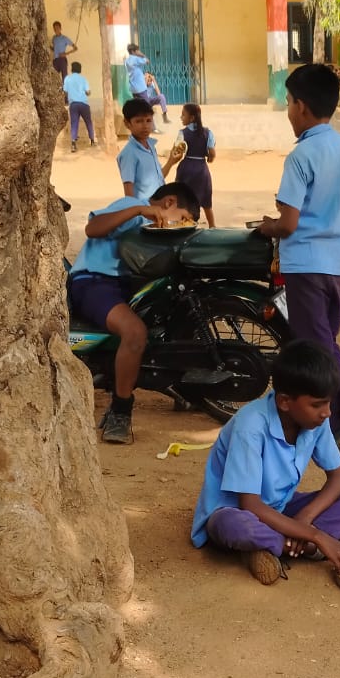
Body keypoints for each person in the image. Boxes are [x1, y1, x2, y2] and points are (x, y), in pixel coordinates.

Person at [256, 63, 340, 459]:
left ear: (302, 107)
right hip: (337, 262)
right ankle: (327, 416)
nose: (288, 111)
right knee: (322, 340)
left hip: (305, 263)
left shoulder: (300, 155)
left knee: (318, 346)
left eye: (288, 103)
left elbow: (289, 223)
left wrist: (269, 226)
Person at [190, 340, 340, 586]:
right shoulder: (250, 426)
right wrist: (315, 535)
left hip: (281, 508)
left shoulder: (315, 420)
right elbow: (250, 505)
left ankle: (273, 547)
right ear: (284, 402)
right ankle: (307, 546)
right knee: (235, 526)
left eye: (328, 402)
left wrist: (304, 519)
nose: (326, 412)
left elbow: (338, 479)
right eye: (317, 404)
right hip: (238, 511)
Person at [66, 183, 195, 444]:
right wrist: (138, 210)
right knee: (135, 332)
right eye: (183, 218)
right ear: (169, 203)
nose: (182, 224)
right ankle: (120, 410)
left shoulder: (151, 222)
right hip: (93, 281)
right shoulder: (133, 206)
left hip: (123, 284)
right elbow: (93, 229)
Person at [117, 97, 179, 205]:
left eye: (148, 120)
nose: (145, 126)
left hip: (158, 208)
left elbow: (158, 178)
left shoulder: (150, 146)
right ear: (127, 123)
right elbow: (128, 194)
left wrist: (171, 161)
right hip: (144, 211)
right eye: (139, 121)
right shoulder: (129, 154)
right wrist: (136, 213)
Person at [164, 102, 216, 227]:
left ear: (191, 118)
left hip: (186, 168)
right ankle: (212, 226)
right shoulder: (208, 133)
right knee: (206, 202)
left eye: (183, 115)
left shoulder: (182, 133)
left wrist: (174, 158)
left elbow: (177, 151)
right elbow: (212, 153)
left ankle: (186, 224)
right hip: (202, 169)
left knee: (184, 200)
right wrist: (210, 158)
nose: (181, 117)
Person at [62, 62, 95, 152]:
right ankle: (92, 140)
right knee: (88, 122)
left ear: (72, 69)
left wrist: (71, 95)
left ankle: (73, 143)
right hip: (84, 104)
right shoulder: (83, 79)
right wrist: (88, 92)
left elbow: (65, 91)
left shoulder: (67, 78)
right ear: (80, 69)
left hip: (73, 104)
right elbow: (88, 92)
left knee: (74, 123)